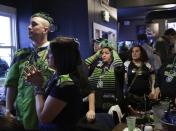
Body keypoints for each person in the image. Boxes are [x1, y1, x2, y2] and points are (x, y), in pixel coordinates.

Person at [4, 12, 54, 129]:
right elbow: (12, 84)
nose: (29, 27)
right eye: (29, 24)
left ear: (45, 30)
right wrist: (8, 109)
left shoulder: (55, 52)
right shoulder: (21, 54)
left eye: (34, 24)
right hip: (22, 111)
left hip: (48, 109)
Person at [24, 36, 84, 131]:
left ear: (61, 56)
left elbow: (44, 118)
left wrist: (38, 86)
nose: (47, 56)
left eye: (50, 52)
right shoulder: (58, 75)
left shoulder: (65, 83)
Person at [85, 44, 124, 130]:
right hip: (98, 105)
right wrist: (96, 54)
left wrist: (114, 52)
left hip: (112, 106)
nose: (103, 55)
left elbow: (120, 66)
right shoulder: (97, 66)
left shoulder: (116, 67)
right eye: (102, 53)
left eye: (107, 53)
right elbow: (84, 65)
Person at [124, 45, 159, 113]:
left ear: (141, 53)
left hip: (145, 98)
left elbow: (153, 78)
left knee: (146, 119)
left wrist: (152, 90)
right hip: (132, 98)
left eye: (137, 51)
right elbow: (123, 80)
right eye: (132, 51)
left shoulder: (147, 65)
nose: (134, 53)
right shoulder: (127, 64)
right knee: (133, 118)